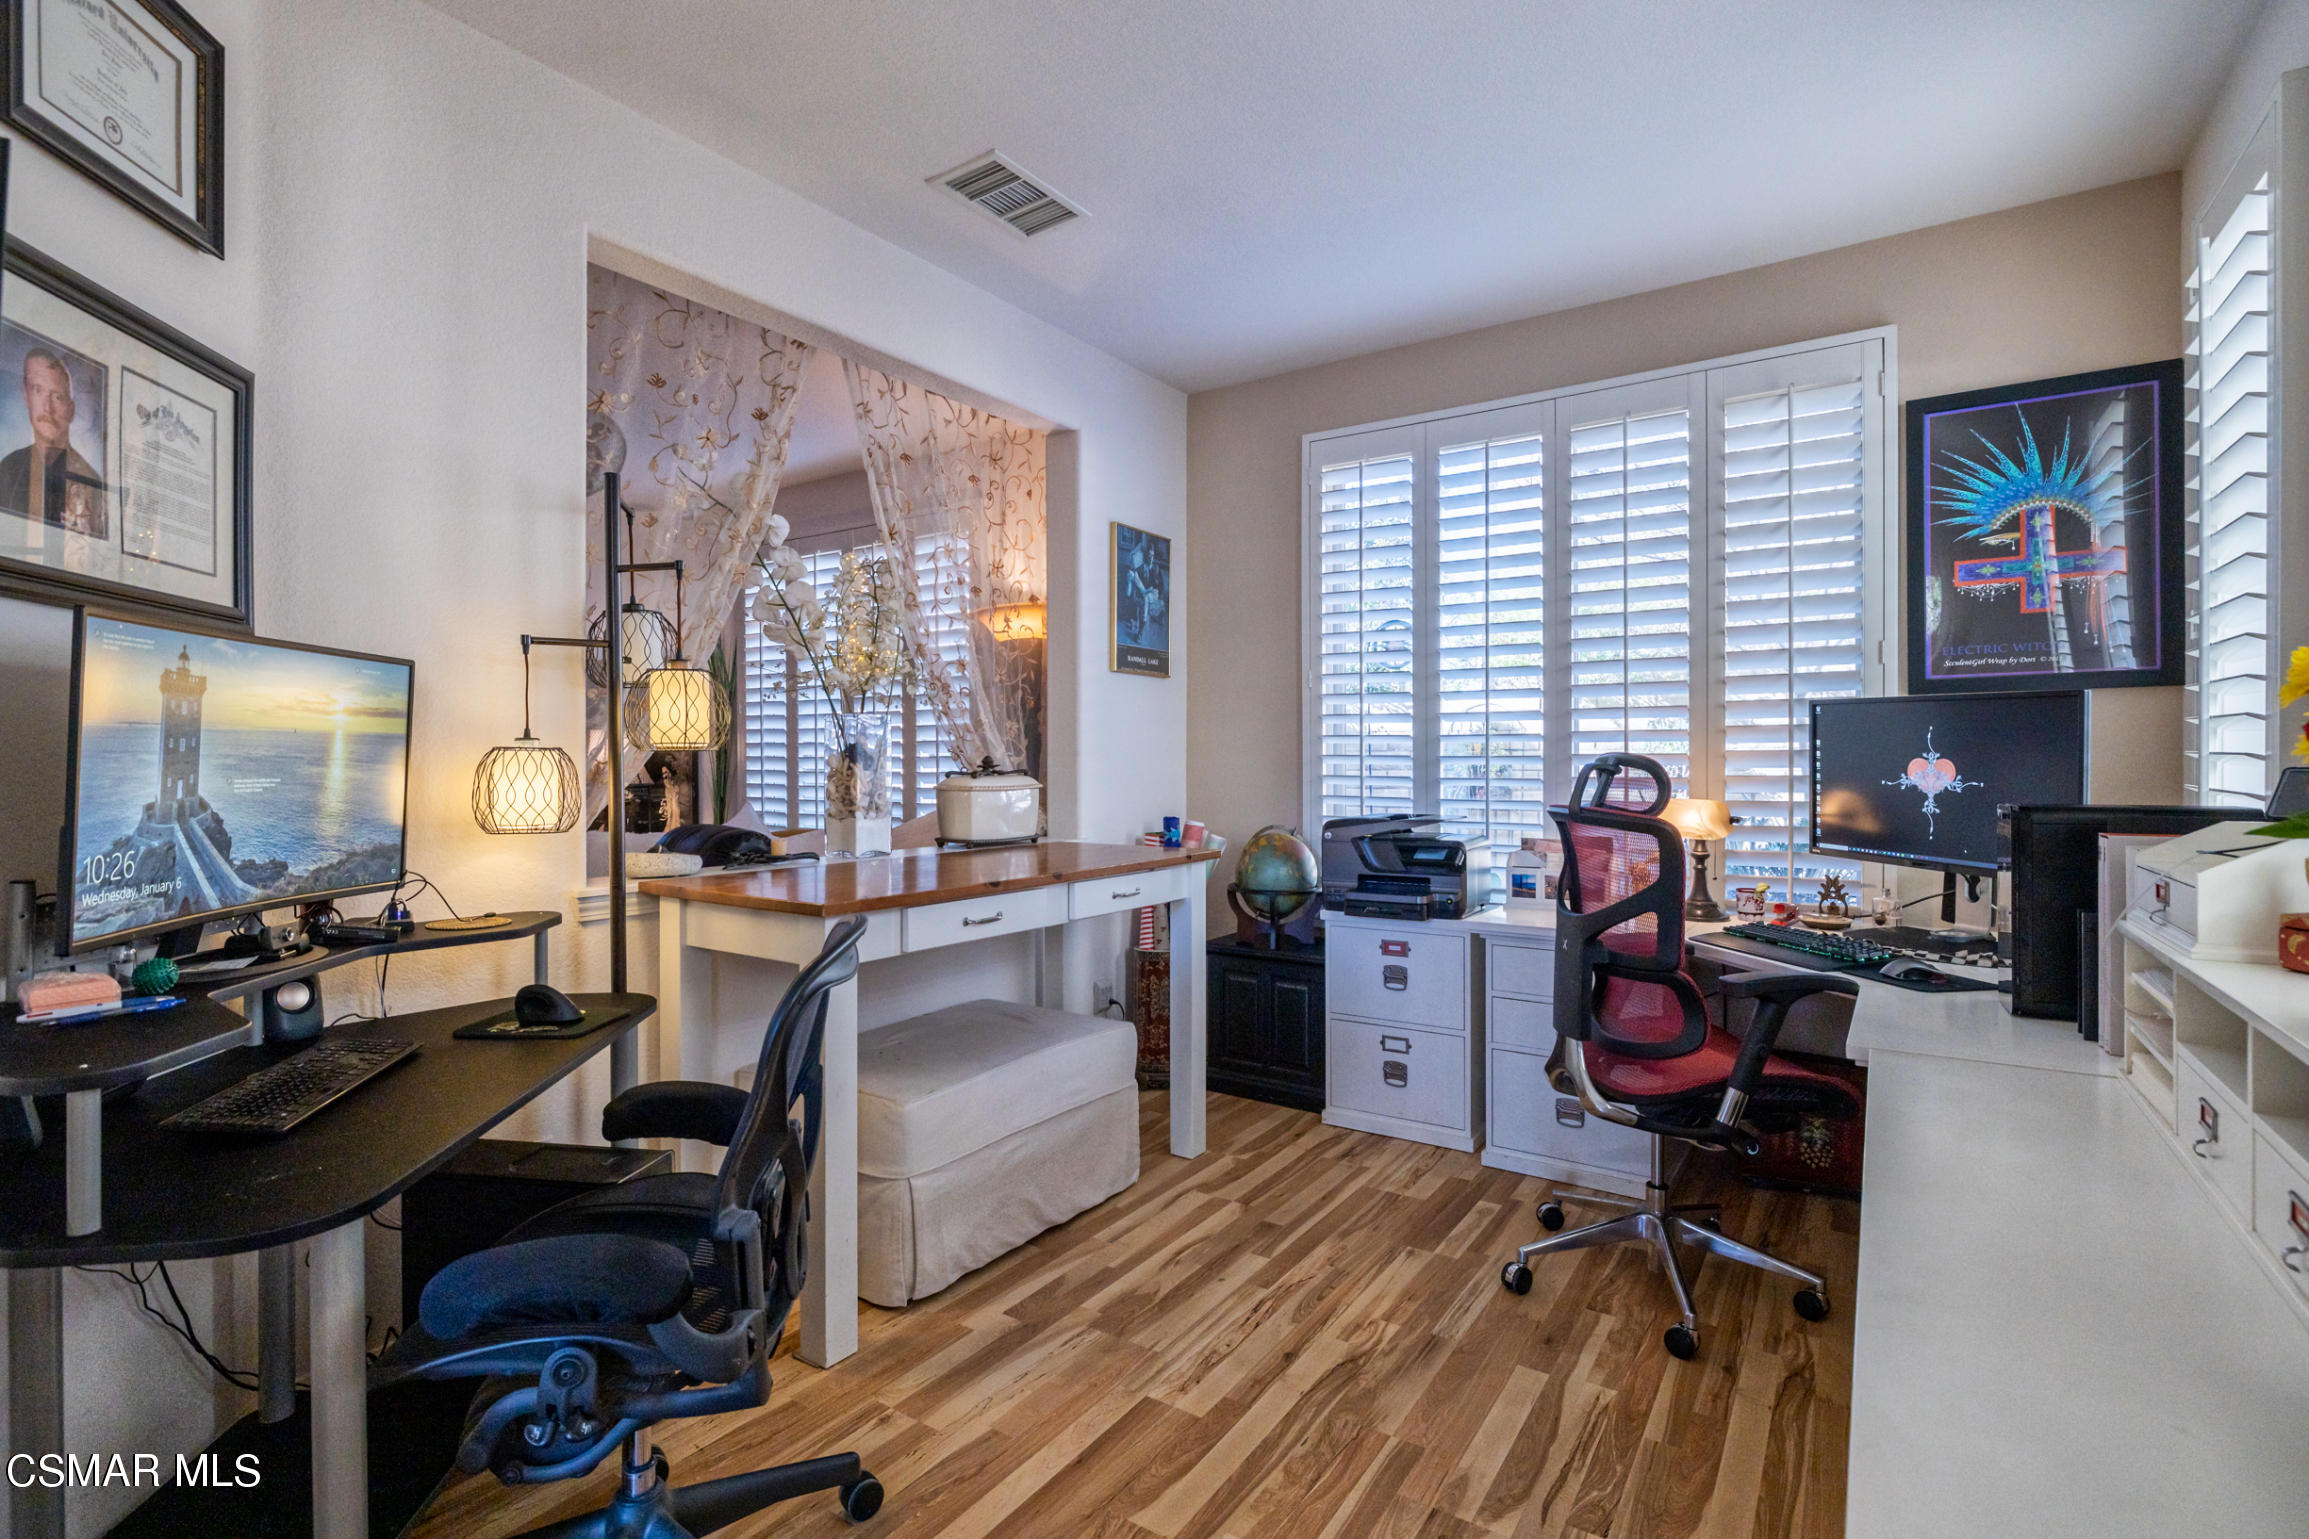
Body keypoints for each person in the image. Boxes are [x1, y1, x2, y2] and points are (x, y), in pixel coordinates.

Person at [0, 348, 106, 538]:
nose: (47, 408)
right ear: (26, 397)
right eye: (38, 390)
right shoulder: (7, 469)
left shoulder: (91, 484)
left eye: (57, 396)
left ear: (71, 410)